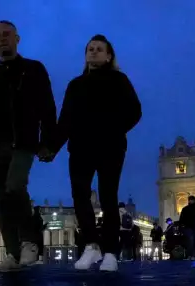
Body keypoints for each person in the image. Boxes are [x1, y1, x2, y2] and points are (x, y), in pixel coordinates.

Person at [0, 20, 57, 271]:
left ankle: (29, 241)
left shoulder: (34, 69)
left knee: (15, 186)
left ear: (18, 39)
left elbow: (47, 107)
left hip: (24, 141)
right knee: (2, 198)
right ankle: (13, 253)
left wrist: (49, 142)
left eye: (7, 34)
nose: (2, 38)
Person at [48, 35, 140, 271]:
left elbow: (135, 111)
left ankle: (110, 251)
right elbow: (65, 121)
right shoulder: (75, 85)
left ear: (109, 56)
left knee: (109, 196)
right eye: (90, 49)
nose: (93, 52)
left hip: (111, 146)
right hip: (80, 147)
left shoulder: (119, 80)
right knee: (80, 195)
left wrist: (115, 129)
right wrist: (51, 147)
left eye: (99, 49)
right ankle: (91, 245)